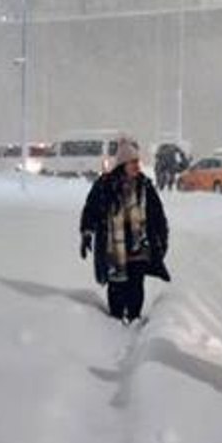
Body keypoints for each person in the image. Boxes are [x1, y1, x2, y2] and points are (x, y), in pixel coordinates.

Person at [80, 138, 171, 322]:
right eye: (133, 162)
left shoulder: (145, 186)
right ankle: (114, 324)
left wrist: (161, 239)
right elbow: (91, 209)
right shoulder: (105, 185)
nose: (137, 166)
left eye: (138, 162)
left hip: (139, 248)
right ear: (123, 164)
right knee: (117, 288)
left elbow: (157, 215)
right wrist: (86, 233)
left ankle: (134, 319)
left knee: (136, 287)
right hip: (114, 250)